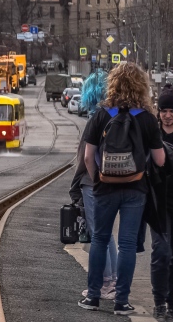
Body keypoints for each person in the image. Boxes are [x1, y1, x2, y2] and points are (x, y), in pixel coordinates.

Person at [80, 62, 167, 315]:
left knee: (100, 239)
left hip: (104, 188)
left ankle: (93, 297)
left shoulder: (101, 114)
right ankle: (122, 302)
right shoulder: (148, 119)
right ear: (141, 86)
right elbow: (160, 160)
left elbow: (88, 156)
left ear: (113, 83)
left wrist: (99, 178)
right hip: (135, 189)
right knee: (127, 244)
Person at [70, 70, 118, 301]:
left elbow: (86, 158)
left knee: (99, 234)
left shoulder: (95, 118)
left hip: (93, 183)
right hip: (110, 181)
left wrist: (82, 183)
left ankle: (105, 284)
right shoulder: (113, 115)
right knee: (108, 234)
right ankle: (112, 281)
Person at [150, 85, 173, 320]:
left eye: (172, 110)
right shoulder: (153, 133)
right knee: (161, 252)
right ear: (158, 112)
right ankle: (159, 303)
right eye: (164, 110)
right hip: (158, 201)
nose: (168, 115)